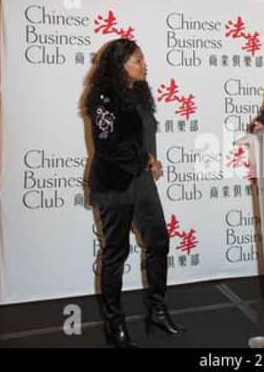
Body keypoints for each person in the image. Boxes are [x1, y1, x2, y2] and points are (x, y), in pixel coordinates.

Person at [82, 38, 186, 348]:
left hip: (141, 182)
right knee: (116, 252)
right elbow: (107, 145)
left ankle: (157, 311)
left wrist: (152, 159)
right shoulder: (102, 96)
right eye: (138, 60)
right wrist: (145, 159)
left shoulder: (139, 93)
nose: (144, 65)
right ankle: (115, 324)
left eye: (143, 59)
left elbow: (142, 135)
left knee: (158, 242)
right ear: (120, 65)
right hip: (114, 184)